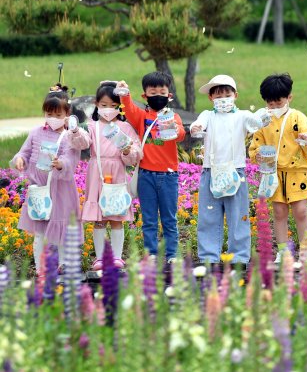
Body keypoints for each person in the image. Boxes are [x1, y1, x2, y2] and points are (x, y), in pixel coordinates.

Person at [190, 75, 261, 269]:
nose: (223, 99)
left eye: (227, 94)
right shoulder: (208, 115)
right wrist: (196, 127)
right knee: (208, 215)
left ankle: (239, 256)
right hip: (211, 171)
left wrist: (263, 117)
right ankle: (209, 256)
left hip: (236, 171)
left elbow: (255, 123)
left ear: (235, 95)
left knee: (238, 215)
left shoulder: (242, 115)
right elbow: (198, 125)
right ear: (211, 97)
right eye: (218, 95)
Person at [69, 81, 142, 269]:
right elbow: (82, 142)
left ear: (120, 107)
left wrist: (127, 151)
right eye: (104, 105)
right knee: (99, 219)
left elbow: (135, 154)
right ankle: (100, 258)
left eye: (113, 106)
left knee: (116, 216)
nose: (108, 110)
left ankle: (116, 256)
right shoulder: (92, 126)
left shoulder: (124, 127)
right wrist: (76, 131)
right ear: (96, 104)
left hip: (117, 171)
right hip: (97, 172)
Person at [116, 73, 185, 264]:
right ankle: (151, 254)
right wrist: (124, 93)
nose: (158, 95)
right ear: (145, 96)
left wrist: (174, 128)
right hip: (146, 174)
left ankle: (172, 255)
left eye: (162, 92)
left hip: (169, 175)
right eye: (153, 92)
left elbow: (180, 135)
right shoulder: (142, 116)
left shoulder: (174, 116)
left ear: (169, 95)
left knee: (170, 219)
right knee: (149, 220)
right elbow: (128, 108)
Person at [248, 73, 307, 262]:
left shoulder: (297, 116)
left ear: (289, 98)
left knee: (301, 211)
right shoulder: (263, 121)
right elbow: (255, 146)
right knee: (279, 212)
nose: (275, 107)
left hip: (296, 172)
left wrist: (306, 139)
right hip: (273, 174)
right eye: (271, 104)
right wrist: (258, 154)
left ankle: (306, 250)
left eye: (279, 103)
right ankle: (283, 251)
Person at [12, 89, 83, 267]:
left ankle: (63, 265)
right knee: (40, 230)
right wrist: (20, 159)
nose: (52, 117)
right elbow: (24, 151)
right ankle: (40, 267)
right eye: (49, 113)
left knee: (62, 228)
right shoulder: (36, 132)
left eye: (58, 114)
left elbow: (71, 158)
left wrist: (61, 164)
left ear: (67, 114)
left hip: (61, 190)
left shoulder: (70, 137)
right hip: (40, 190)